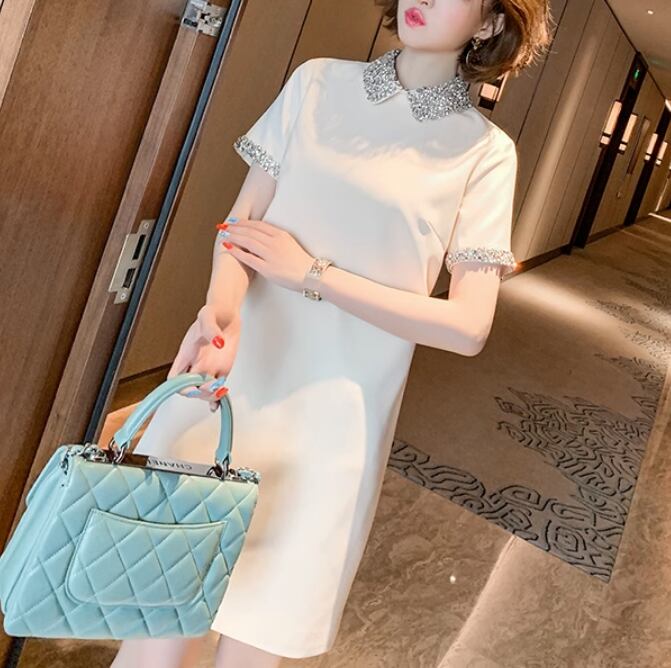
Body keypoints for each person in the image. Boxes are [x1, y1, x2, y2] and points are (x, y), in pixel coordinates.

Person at [110, 0, 552, 666]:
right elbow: (240, 224)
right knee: (155, 634)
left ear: (490, 23)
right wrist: (220, 310)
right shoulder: (317, 83)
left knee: (256, 639)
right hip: (229, 386)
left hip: (334, 424)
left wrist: (312, 275)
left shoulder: (484, 154)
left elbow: (468, 326)